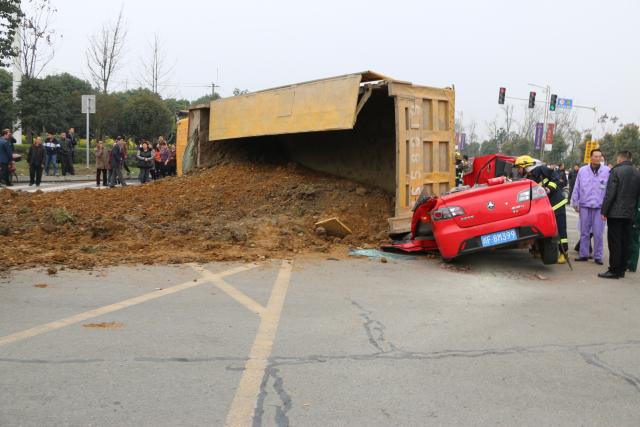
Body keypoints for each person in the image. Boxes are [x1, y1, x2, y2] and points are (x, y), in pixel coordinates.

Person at [515, 155, 569, 264]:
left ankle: (564, 253)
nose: (518, 170)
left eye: (519, 167)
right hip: (545, 208)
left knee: (560, 229)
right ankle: (539, 250)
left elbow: (556, 177)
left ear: (525, 166)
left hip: (556, 203)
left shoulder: (541, 169)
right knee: (544, 229)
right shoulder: (529, 178)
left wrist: (549, 188)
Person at [599, 151, 640, 278]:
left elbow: (610, 193)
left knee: (615, 242)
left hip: (615, 213)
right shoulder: (636, 173)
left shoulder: (616, 171)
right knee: (625, 241)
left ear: (619, 159)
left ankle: (614, 270)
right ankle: (622, 269)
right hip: (630, 213)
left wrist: (604, 211)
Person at [571, 149, 609, 265]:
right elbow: (577, 186)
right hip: (584, 205)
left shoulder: (607, 171)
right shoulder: (582, 171)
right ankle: (584, 254)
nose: (598, 158)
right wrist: (575, 202)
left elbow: (609, 190)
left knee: (598, 233)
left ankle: (598, 256)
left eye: (599, 156)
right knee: (584, 232)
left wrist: (608, 206)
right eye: (595, 156)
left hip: (599, 206)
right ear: (590, 158)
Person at [628, 197, 640, 273]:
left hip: (636, 222)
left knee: (634, 243)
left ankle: (632, 265)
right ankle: (630, 264)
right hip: (633, 219)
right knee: (631, 242)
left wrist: (636, 222)